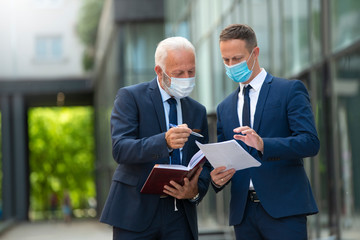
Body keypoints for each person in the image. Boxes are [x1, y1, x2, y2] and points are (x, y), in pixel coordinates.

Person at [211, 24, 320, 240]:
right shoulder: (224, 107)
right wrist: (216, 179)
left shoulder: (289, 90)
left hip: (285, 211)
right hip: (243, 214)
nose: (231, 65)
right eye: (226, 60)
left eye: (237, 58)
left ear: (255, 53)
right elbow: (225, 155)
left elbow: (310, 142)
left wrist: (263, 144)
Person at [100, 36, 211, 240]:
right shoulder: (130, 97)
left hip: (180, 215)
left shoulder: (197, 111)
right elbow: (120, 149)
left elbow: (205, 163)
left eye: (191, 71)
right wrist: (164, 142)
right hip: (135, 212)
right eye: (178, 73)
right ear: (159, 72)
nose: (186, 78)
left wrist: (195, 191)